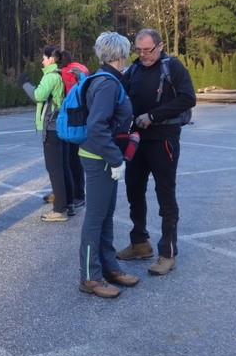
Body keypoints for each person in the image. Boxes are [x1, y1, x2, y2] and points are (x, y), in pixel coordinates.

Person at [117, 28, 197, 276]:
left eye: (148, 50)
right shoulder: (135, 68)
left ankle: (167, 253)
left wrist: (153, 116)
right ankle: (140, 243)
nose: (143, 55)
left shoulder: (172, 66)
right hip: (138, 139)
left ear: (160, 46)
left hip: (164, 139)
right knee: (134, 191)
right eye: (139, 50)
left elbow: (188, 98)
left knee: (165, 195)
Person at [77, 32, 139, 298]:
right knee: (95, 218)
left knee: (105, 216)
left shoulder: (108, 79)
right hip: (99, 158)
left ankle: (109, 267)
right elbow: (97, 126)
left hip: (103, 157)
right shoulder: (108, 84)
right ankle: (90, 276)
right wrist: (115, 159)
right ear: (121, 55)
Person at [19, 46, 74, 221]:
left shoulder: (51, 77)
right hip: (61, 125)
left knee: (54, 168)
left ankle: (59, 210)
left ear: (51, 59)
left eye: (43, 58)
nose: (42, 61)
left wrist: (24, 83)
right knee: (64, 166)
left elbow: (38, 96)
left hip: (51, 127)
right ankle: (69, 203)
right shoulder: (59, 75)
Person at [60, 50, 90, 208]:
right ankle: (68, 191)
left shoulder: (65, 72)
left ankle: (78, 194)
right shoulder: (78, 68)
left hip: (71, 118)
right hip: (74, 116)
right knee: (69, 160)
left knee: (72, 160)